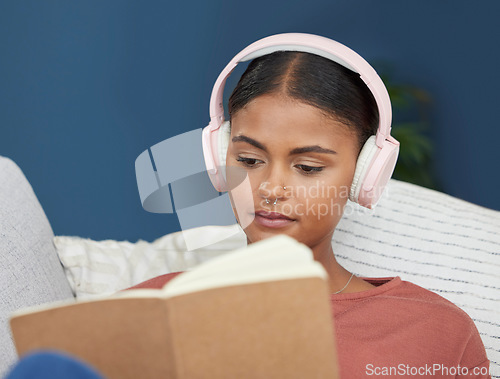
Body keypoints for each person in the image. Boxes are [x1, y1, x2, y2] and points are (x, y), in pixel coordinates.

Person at [130, 34, 491, 378]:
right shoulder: (146, 308)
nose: (271, 190)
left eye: (308, 167)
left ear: (366, 173)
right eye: (249, 160)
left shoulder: (434, 331)